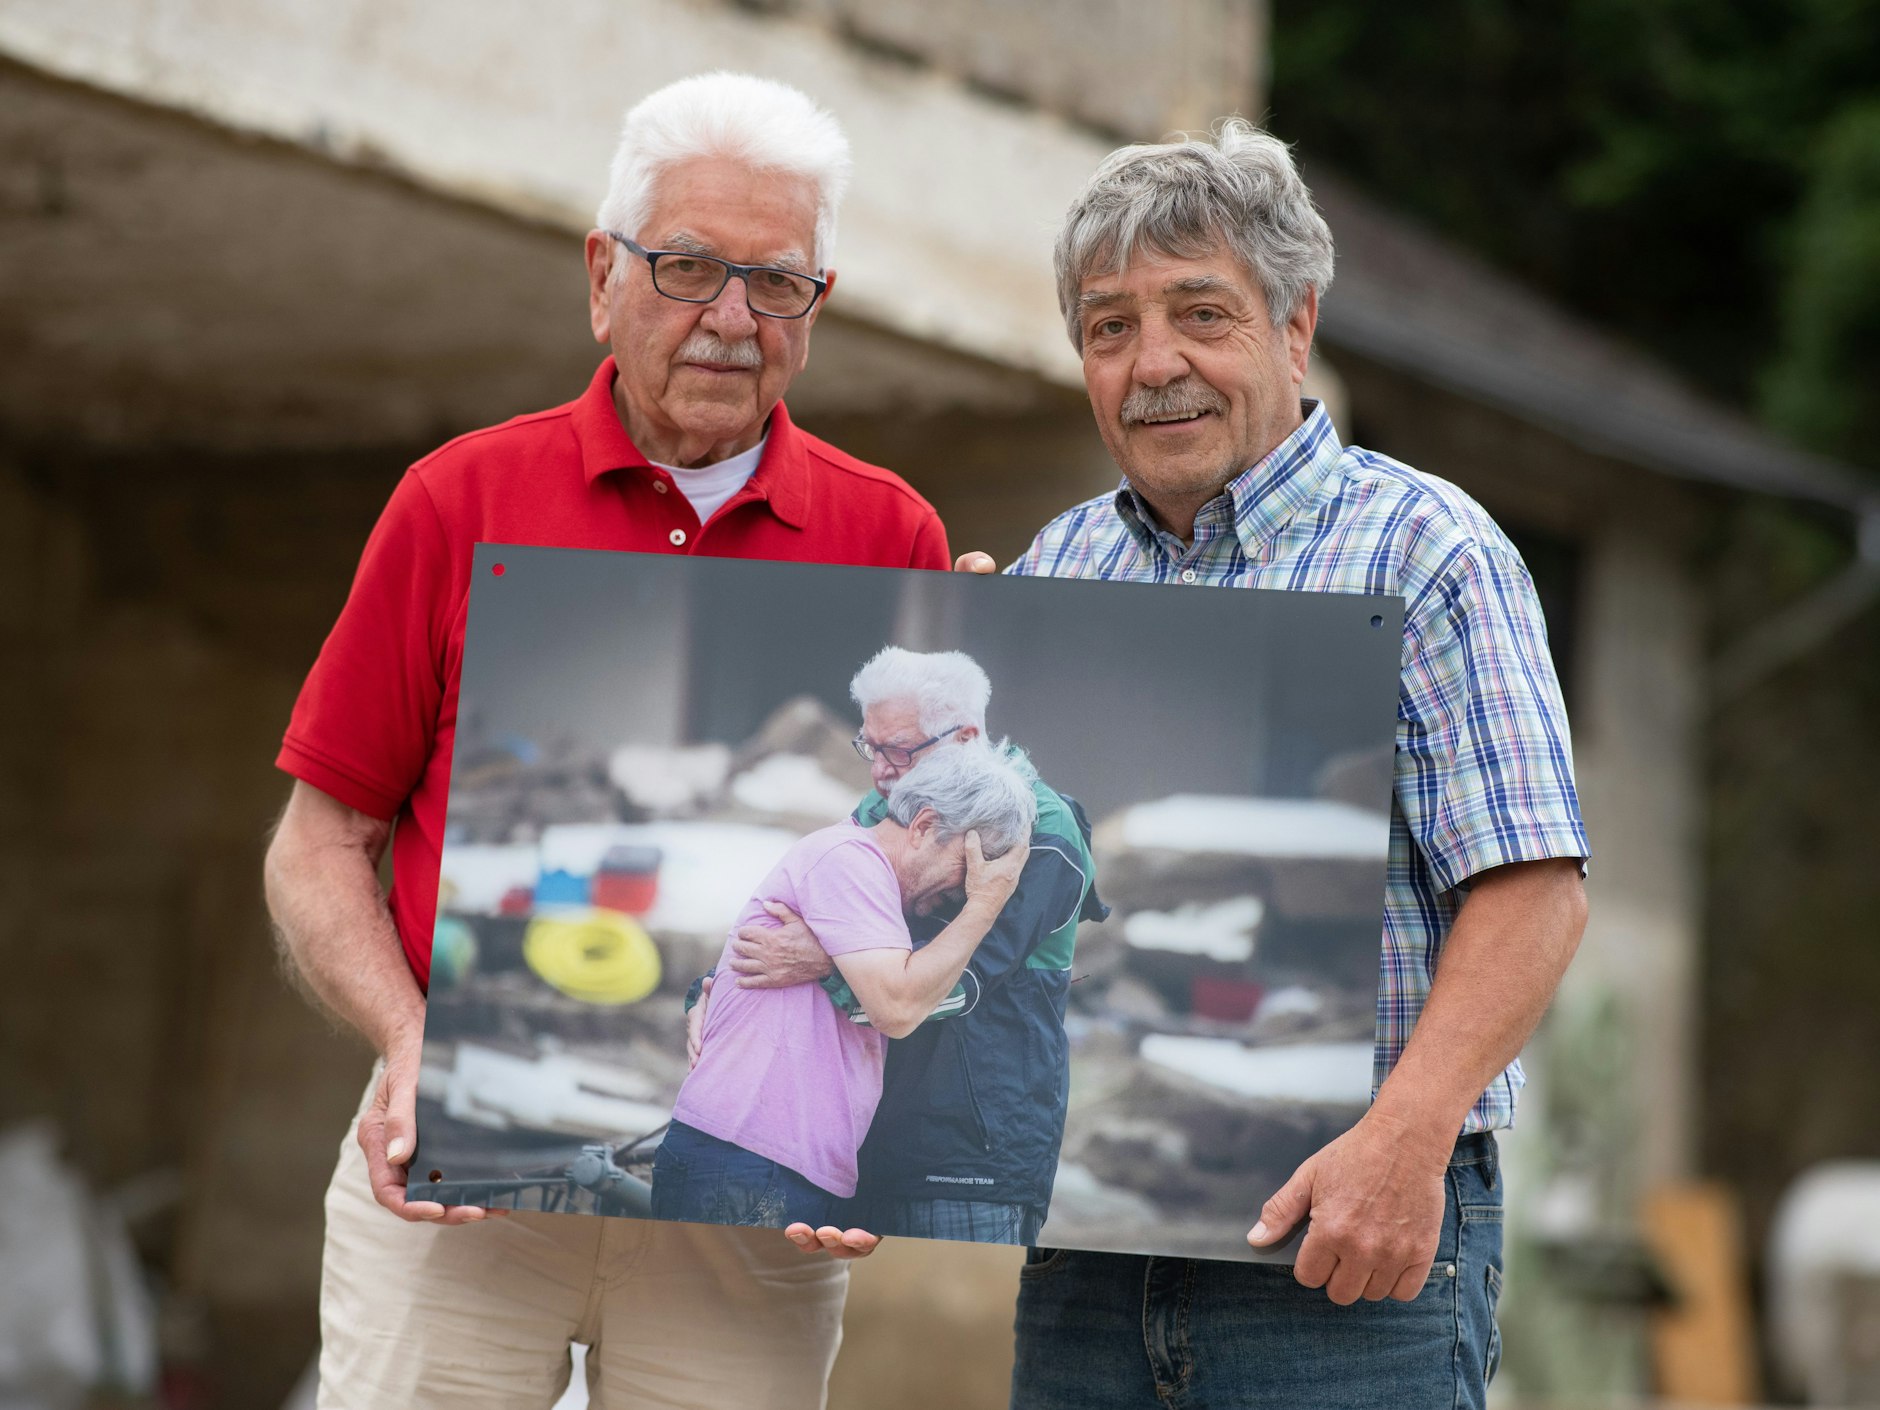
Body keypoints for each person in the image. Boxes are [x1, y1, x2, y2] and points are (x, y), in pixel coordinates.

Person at [262, 72, 950, 1410]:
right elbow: (321, 840)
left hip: (749, 1210)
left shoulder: (896, 541)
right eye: (689, 266)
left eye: (777, 282)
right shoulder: (457, 500)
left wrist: (898, 1120)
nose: (732, 318)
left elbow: (910, 894)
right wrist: (410, 1045)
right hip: (464, 1186)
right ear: (603, 275)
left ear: (820, 307)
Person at [954, 120, 1590, 1410]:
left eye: (1200, 312)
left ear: (1294, 326)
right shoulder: (1056, 569)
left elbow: (1533, 894)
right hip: (1090, 1245)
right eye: (1108, 326)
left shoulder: (1428, 551)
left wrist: (1401, 1147)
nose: (1154, 365)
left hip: (1344, 1245)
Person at [689, 647, 1107, 1247]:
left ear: (965, 736)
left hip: (969, 1160)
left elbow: (956, 982)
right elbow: (805, 911)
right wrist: (714, 987)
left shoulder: (1038, 830)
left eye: (898, 750)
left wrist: (826, 961)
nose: (880, 769)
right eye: (869, 746)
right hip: (853, 1145)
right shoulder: (883, 810)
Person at [653, 743, 1034, 1228]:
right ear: (922, 827)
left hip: (776, 1164)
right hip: (748, 1158)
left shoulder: (863, 878)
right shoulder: (848, 861)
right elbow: (898, 1006)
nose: (963, 889)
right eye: (968, 865)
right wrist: (986, 903)